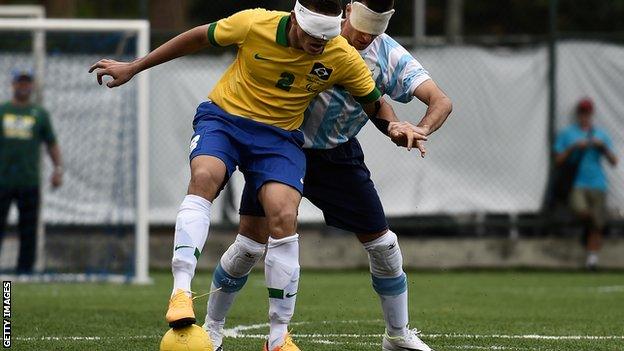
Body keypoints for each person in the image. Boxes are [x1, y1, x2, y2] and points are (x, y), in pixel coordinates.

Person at [89, 1, 425, 350]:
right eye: (312, 35)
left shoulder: (340, 53)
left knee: (283, 214)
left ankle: (279, 337)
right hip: (225, 120)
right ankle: (181, 292)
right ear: (294, 18)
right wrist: (135, 66)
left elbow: (374, 102)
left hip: (279, 139)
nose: (318, 44)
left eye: (325, 37)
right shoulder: (254, 23)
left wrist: (395, 128)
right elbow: (196, 38)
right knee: (205, 177)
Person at [203, 1, 452, 350]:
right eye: (362, 24)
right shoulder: (310, 35)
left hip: (337, 157)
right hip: (280, 146)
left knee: (384, 246)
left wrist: (416, 128)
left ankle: (397, 335)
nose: (365, 36)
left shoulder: (387, 55)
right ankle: (211, 328)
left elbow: (439, 100)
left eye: (376, 29)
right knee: (248, 248)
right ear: (347, 11)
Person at [0, 70, 63, 274]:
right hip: (2, 180)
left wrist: (58, 169)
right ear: (14, 85)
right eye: (21, 82)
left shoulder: (39, 114)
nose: (24, 86)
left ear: (32, 86)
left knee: (28, 230)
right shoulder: (3, 110)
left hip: (29, 181)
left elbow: (51, 144)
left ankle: (24, 272)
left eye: (27, 82)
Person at [554, 97, 617, 270]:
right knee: (582, 211)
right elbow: (558, 160)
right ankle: (586, 231)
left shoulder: (601, 134)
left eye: (587, 113)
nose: (584, 116)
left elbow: (614, 161)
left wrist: (602, 147)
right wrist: (574, 147)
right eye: (582, 112)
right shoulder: (568, 133)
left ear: (592, 114)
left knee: (597, 221)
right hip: (577, 182)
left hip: (598, 183)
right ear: (577, 114)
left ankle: (592, 260)